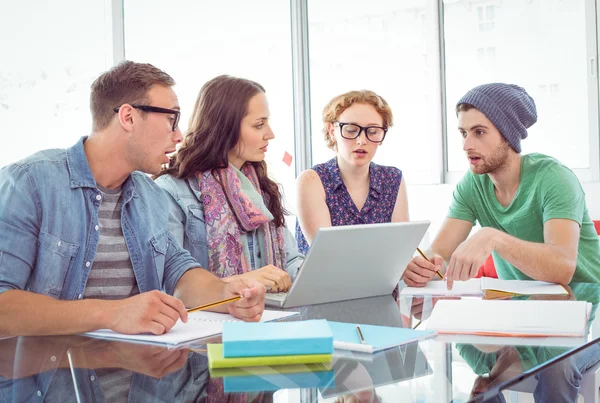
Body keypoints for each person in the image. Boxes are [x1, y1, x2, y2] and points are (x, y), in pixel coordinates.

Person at [0, 61, 265, 338]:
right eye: (171, 119)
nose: (179, 136)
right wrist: (112, 313)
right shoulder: (28, 183)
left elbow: (179, 271)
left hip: (140, 372)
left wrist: (226, 295)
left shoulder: (149, 194)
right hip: (50, 376)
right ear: (128, 117)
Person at [401, 82, 600, 402]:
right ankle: (500, 373)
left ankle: (501, 373)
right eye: (462, 133)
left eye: (479, 132)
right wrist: (423, 268)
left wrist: (492, 237)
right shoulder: (473, 185)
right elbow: (439, 253)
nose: (466, 144)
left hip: (582, 311)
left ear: (507, 134)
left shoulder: (554, 178)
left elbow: (562, 267)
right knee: (454, 332)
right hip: (518, 310)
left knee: (553, 368)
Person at [154, 75, 301, 293]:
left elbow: (290, 263)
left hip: (267, 317)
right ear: (225, 128)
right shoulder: (172, 191)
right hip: (207, 323)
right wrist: (240, 283)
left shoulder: (262, 190)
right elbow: (169, 283)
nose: (270, 134)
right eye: (259, 125)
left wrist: (325, 273)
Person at [295, 90, 409, 255]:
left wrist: (413, 267)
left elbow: (400, 251)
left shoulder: (392, 179)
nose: (361, 140)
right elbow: (328, 255)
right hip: (327, 281)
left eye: (372, 132)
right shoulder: (312, 180)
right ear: (332, 131)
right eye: (350, 130)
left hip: (381, 281)